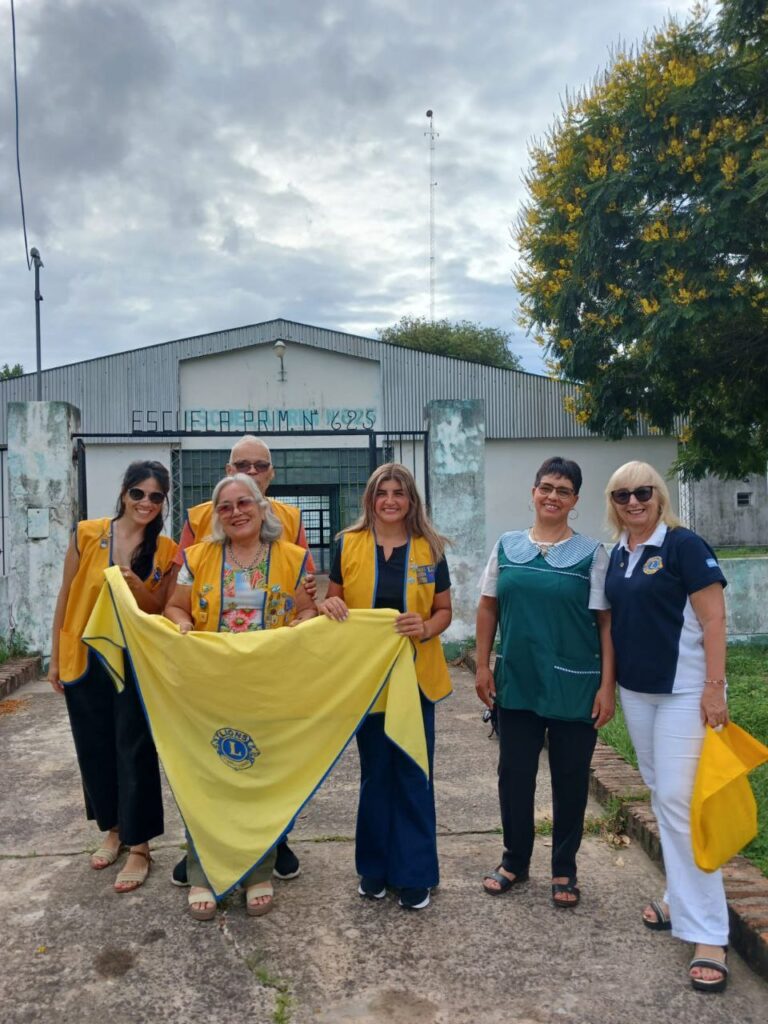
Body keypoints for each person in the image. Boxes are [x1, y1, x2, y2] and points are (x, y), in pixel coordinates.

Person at [164, 473, 317, 920]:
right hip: (209, 686)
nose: (236, 512)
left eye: (244, 502)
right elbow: (175, 606)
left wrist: (300, 625)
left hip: (266, 687)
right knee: (205, 780)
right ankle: (202, 873)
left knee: (256, 779)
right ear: (217, 515)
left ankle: (257, 872)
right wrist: (183, 625)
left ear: (261, 507)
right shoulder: (197, 557)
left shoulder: (293, 558)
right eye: (226, 506)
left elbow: (307, 611)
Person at [603, 461, 730, 993]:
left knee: (679, 803)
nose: (634, 502)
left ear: (659, 495)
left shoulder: (683, 545)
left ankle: (709, 933)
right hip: (638, 692)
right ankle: (679, 899)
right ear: (613, 503)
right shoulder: (618, 554)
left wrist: (715, 686)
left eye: (643, 492)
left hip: (685, 690)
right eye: (623, 495)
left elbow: (714, 618)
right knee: (661, 795)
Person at [475, 456, 615, 908]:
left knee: (570, 779)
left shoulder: (593, 555)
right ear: (533, 492)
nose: (553, 496)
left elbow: (605, 623)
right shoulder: (507, 546)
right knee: (514, 776)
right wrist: (482, 665)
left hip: (575, 684)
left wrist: (606, 686)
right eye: (546, 487)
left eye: (563, 490)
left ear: (575, 500)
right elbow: (488, 606)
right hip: (517, 681)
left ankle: (564, 869)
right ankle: (514, 860)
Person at [318, 463, 452, 910]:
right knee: (375, 773)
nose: (390, 500)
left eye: (399, 493)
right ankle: (373, 869)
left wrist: (426, 627)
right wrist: (329, 604)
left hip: (416, 679)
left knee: (413, 772)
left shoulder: (430, 548)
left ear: (411, 500)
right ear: (370, 499)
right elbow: (334, 602)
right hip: (368, 680)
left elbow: (444, 611)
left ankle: (415, 874)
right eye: (382, 493)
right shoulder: (347, 544)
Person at [48, 461, 178, 892]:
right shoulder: (87, 535)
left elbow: (161, 608)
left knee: (135, 749)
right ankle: (113, 830)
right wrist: (55, 657)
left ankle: (140, 845)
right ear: (124, 493)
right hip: (86, 657)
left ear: (163, 502)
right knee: (94, 748)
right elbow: (66, 595)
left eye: (156, 496)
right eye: (138, 493)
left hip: (136, 662)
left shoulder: (166, 550)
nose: (146, 503)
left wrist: (136, 585)